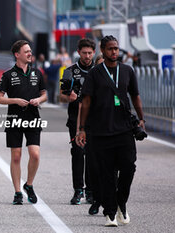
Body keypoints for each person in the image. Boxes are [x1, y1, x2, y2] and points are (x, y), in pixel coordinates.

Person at [77, 35, 145, 226]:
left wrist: (141, 119)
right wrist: (82, 128)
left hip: (124, 129)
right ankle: (110, 213)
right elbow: (87, 101)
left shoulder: (127, 71)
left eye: (116, 48)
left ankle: (120, 203)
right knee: (106, 173)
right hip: (101, 131)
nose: (114, 52)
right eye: (110, 49)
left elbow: (135, 95)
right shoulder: (95, 73)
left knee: (128, 168)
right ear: (103, 50)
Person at [0, 40, 47, 205]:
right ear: (17, 55)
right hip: (14, 119)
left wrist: (38, 100)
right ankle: (17, 192)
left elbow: (45, 95)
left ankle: (29, 184)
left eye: (30, 51)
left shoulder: (37, 73)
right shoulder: (8, 75)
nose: (29, 53)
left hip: (33, 117)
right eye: (26, 51)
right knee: (16, 156)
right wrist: (15, 101)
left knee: (35, 154)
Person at [59, 38, 96, 206]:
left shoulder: (99, 70)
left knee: (92, 154)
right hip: (75, 119)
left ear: (94, 53)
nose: (87, 56)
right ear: (79, 52)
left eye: (90, 53)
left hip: (95, 119)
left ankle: (90, 190)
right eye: (84, 53)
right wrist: (69, 97)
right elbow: (60, 96)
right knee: (78, 153)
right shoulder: (69, 71)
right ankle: (78, 190)